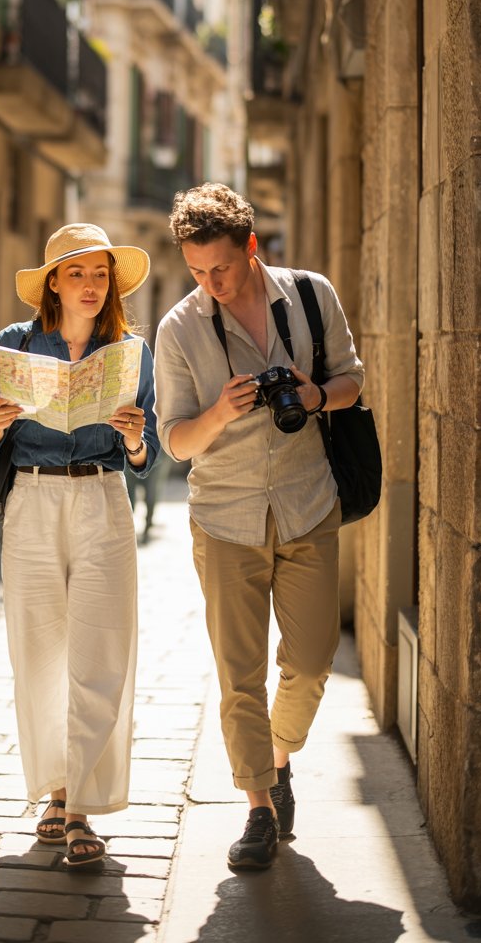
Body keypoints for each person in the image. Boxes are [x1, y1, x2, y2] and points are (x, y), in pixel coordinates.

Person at [154, 183, 364, 872]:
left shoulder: (309, 296)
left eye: (219, 268)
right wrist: (218, 412)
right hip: (225, 520)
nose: (209, 284)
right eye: (195, 273)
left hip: (308, 503)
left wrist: (313, 395)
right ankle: (257, 810)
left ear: (251, 247)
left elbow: (352, 382)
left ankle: (278, 760)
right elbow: (176, 443)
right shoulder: (181, 328)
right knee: (238, 675)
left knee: (308, 662)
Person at [0, 223, 159, 869]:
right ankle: (57, 795)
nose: (90, 285)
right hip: (34, 498)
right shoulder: (14, 344)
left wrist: (133, 439)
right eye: (76, 273)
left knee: (103, 652)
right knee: (40, 652)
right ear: (53, 282)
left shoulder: (130, 350)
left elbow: (145, 453)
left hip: (103, 499)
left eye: (100, 274)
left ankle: (84, 811)